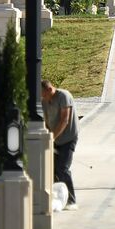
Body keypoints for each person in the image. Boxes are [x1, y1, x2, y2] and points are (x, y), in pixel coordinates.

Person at [41, 78, 78, 210]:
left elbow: (64, 120)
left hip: (68, 138)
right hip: (54, 138)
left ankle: (72, 201)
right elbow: (46, 120)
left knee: (63, 168)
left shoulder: (63, 96)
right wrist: (47, 135)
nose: (43, 98)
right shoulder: (44, 101)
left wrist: (52, 137)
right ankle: (59, 198)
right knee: (53, 169)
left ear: (50, 89)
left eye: (44, 94)